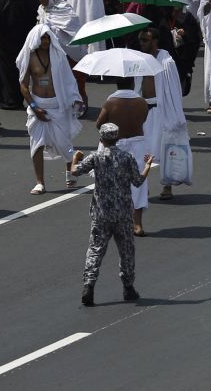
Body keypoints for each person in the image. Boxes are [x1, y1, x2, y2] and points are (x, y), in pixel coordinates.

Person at [70, 123, 152, 307]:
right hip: (123, 213)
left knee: (95, 250)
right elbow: (138, 182)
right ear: (117, 138)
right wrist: (147, 166)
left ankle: (89, 286)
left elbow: (74, 172)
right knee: (127, 251)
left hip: (101, 213)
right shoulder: (126, 157)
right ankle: (128, 288)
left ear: (101, 139)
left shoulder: (96, 157)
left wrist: (75, 158)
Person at [18, 24, 82, 195]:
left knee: (63, 142)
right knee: (36, 144)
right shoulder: (30, 58)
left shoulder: (58, 56)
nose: (45, 41)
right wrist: (34, 106)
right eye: (42, 38)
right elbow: (23, 86)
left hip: (57, 104)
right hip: (37, 105)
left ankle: (71, 169)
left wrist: (76, 98)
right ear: (36, 40)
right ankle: (40, 182)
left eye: (48, 37)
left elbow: (69, 80)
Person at [136, 27, 191, 200]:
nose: (142, 43)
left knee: (165, 147)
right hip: (144, 110)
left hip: (162, 111)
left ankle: (167, 186)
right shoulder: (141, 61)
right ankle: (142, 186)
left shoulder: (167, 62)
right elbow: (138, 86)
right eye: (141, 40)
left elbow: (174, 91)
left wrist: (175, 115)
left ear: (155, 41)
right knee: (140, 150)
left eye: (146, 40)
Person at [95, 77, 151, 235]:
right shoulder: (141, 102)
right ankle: (137, 224)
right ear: (133, 83)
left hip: (116, 144)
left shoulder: (111, 102)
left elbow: (99, 124)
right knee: (138, 184)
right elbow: (143, 119)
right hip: (138, 144)